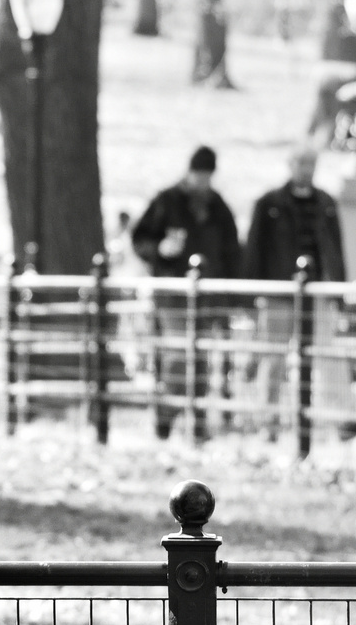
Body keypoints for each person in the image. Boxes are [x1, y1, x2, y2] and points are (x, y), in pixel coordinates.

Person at [131, 145, 241, 438]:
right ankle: (166, 416)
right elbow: (140, 239)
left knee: (201, 360)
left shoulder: (218, 206)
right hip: (172, 292)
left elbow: (231, 250)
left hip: (208, 295)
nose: (203, 181)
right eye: (199, 174)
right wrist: (160, 250)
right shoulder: (167, 201)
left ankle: (197, 422)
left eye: (207, 176)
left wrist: (231, 296)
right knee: (179, 355)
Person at [243, 145, 347, 438]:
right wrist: (252, 295)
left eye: (311, 163)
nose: (306, 168)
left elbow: (335, 251)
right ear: (291, 164)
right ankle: (269, 424)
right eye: (302, 162)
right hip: (279, 294)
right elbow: (254, 250)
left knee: (327, 358)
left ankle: (339, 421)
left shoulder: (326, 202)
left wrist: (339, 294)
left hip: (317, 294)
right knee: (273, 360)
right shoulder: (269, 203)